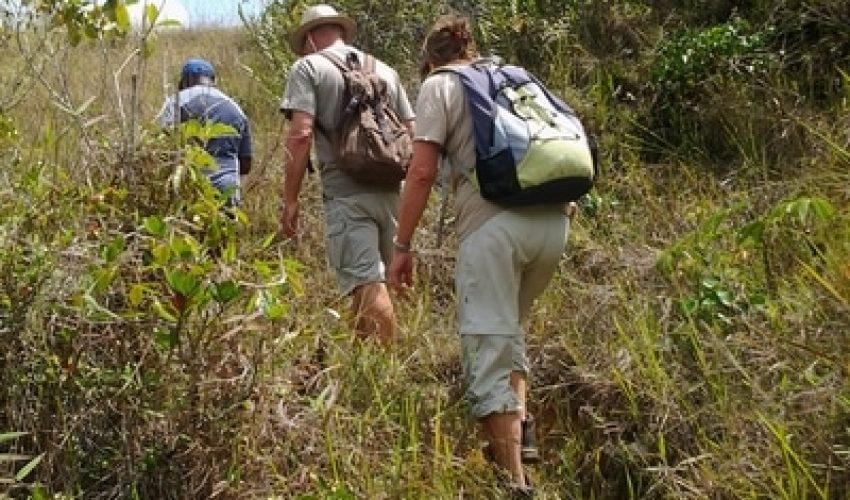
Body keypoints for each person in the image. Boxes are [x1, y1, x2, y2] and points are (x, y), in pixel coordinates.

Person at [388, 15, 569, 494]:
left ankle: (513, 484)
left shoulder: (440, 85)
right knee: (506, 334)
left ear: (430, 58)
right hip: (554, 223)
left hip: (494, 229)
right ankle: (521, 438)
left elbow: (422, 171)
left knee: (487, 349)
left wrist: (402, 245)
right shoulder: (516, 76)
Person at [279, 4, 415, 344]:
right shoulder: (384, 69)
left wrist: (290, 199)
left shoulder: (308, 66)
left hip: (346, 194)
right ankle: (359, 359)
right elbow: (413, 133)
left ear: (310, 38)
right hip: (391, 190)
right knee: (372, 283)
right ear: (340, 31)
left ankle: (389, 376)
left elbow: (300, 134)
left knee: (368, 282)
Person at [156, 58, 253, 206]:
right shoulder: (235, 108)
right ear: (213, 80)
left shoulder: (176, 101)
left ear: (184, 81)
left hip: (189, 189)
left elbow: (161, 147)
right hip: (226, 191)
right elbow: (246, 164)